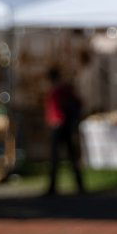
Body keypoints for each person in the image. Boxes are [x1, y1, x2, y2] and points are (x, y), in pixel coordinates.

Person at [44, 67, 86, 196]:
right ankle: (78, 185)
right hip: (63, 124)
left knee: (57, 157)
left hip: (60, 125)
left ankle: (54, 186)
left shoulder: (58, 90)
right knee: (69, 156)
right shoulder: (64, 89)